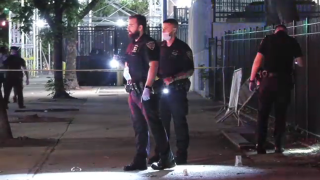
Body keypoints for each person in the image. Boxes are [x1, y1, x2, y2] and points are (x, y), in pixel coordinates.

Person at [122, 14, 176, 171]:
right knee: (139, 126)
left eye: (131, 25)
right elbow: (128, 63)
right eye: (128, 25)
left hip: (145, 90)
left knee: (154, 124)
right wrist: (128, 77)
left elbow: (153, 66)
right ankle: (140, 159)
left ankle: (167, 158)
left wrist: (147, 87)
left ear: (140, 27)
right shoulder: (132, 44)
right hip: (134, 91)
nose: (128, 28)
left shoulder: (149, 43)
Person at [249, 24, 303, 154]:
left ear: (276, 31)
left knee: (263, 114)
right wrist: (294, 62)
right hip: (284, 82)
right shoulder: (292, 41)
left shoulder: (267, 40)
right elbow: (301, 63)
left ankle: (260, 145)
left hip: (268, 81)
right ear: (285, 31)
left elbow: (257, 61)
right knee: (281, 115)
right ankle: (278, 145)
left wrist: (252, 80)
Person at [148, 19, 194, 165]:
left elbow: (189, 70)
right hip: (161, 91)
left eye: (165, 29)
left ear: (174, 30)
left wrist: (173, 78)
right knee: (162, 123)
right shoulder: (160, 47)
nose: (163, 32)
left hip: (177, 90)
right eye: (162, 29)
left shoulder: (182, 48)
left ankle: (181, 154)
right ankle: (162, 153)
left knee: (179, 122)